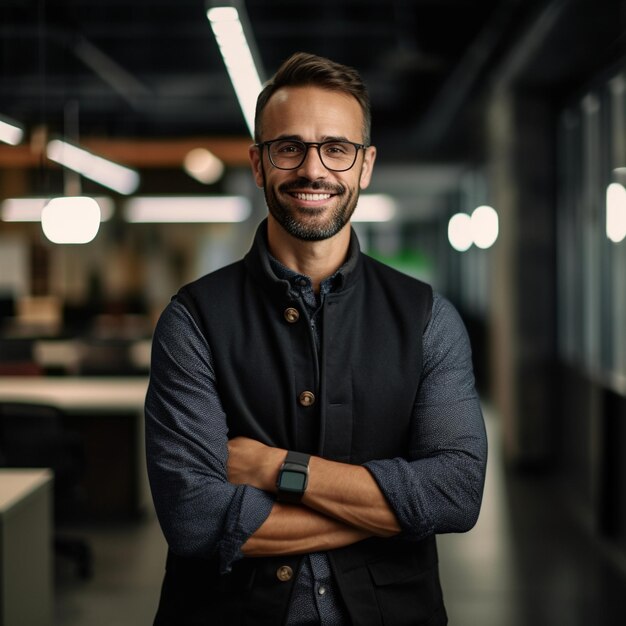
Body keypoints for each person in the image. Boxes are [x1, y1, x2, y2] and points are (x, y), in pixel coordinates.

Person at [145, 51, 487, 626]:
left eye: (336, 148)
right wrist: (392, 511)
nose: (313, 169)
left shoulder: (429, 318)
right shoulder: (193, 320)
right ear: (258, 163)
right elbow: (194, 518)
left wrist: (277, 468)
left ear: (365, 165)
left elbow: (455, 492)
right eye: (289, 147)